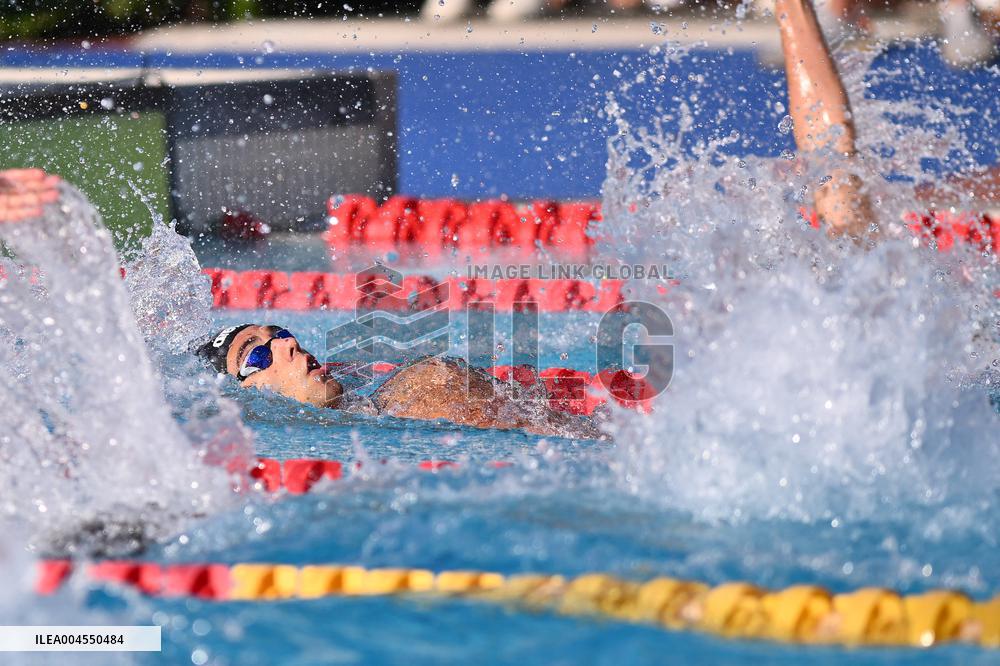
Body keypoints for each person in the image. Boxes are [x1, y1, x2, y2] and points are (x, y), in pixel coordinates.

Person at [193, 323, 597, 436]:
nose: (288, 343)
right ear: (246, 393)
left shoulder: (425, 385)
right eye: (257, 354)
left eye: (279, 333)